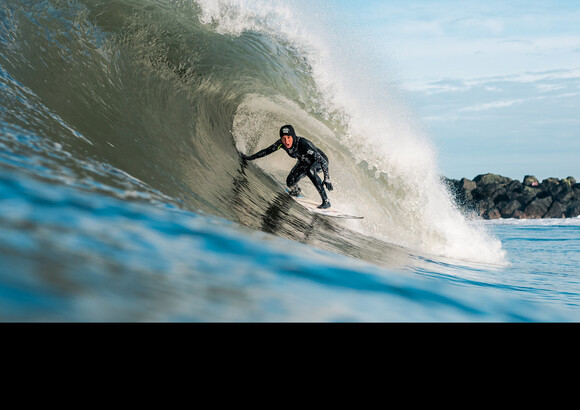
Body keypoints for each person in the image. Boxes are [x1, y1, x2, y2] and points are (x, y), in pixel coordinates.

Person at [241, 125, 334, 209]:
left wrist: (327, 178)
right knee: (290, 182)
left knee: (310, 170)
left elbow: (322, 161)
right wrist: (249, 158)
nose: (286, 141)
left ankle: (326, 201)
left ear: (293, 136)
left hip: (319, 162)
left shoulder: (303, 144)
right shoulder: (281, 144)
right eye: (284, 138)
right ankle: (296, 190)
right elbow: (266, 151)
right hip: (304, 161)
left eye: (289, 137)